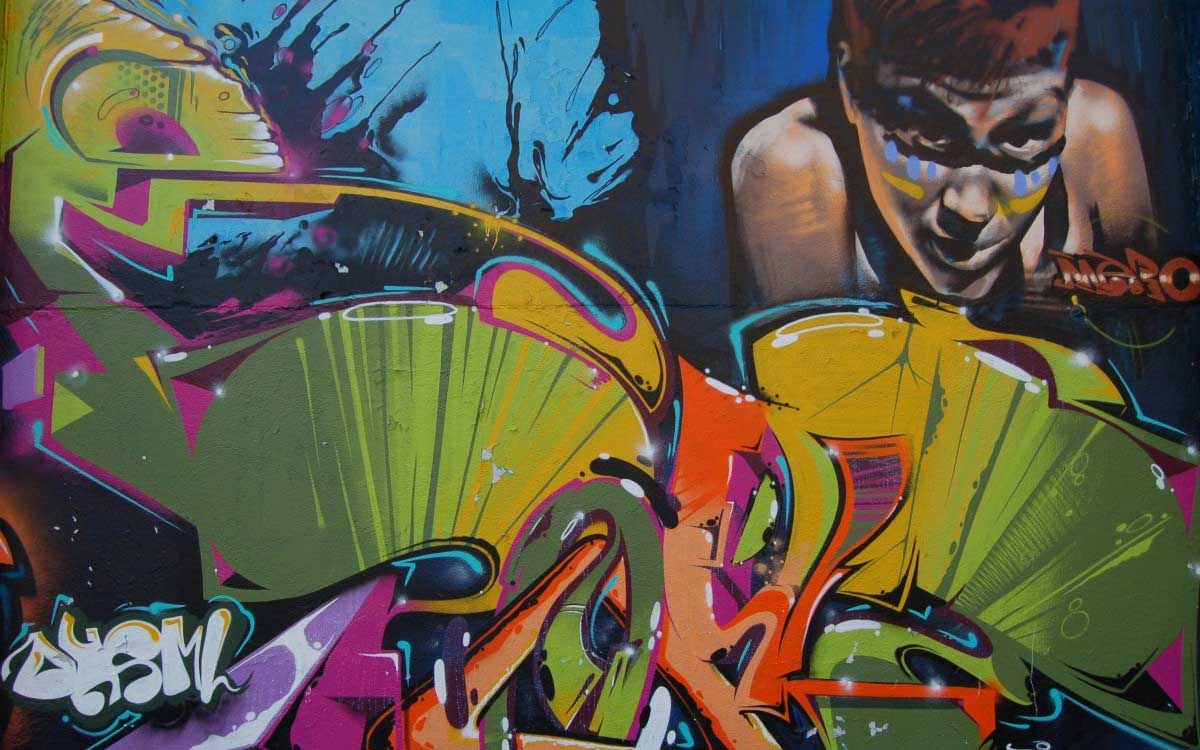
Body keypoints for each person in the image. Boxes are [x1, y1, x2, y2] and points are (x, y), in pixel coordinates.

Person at [732, 0, 1155, 305]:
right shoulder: (796, 164)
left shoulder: (1093, 134)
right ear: (851, 86)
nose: (972, 208)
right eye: (931, 134)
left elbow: (1149, 350)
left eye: (1022, 137)